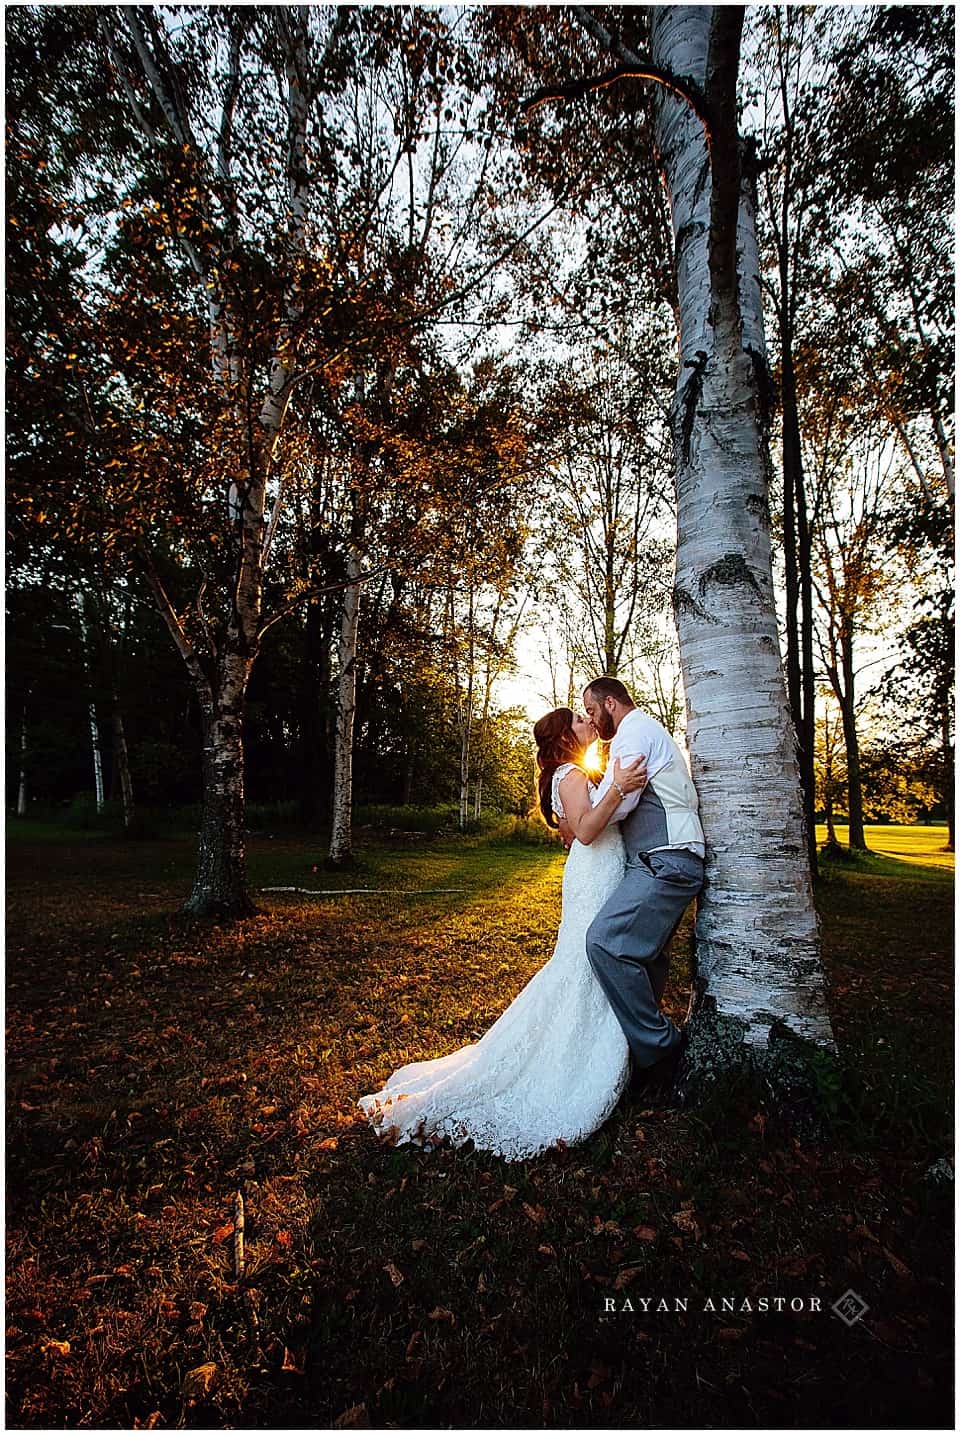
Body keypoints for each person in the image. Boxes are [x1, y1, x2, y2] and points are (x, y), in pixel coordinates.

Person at [356, 707, 646, 1160]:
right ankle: (569, 1064)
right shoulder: (570, 773)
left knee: (583, 962)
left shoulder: (568, 773)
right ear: (567, 738)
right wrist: (620, 789)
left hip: (596, 873)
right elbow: (586, 832)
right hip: (594, 875)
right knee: (581, 964)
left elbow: (572, 830)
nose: (589, 723)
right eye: (580, 721)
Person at [565, 676, 705, 1086]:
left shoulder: (632, 734)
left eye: (591, 711)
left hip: (666, 859)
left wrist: (587, 804)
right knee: (648, 957)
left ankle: (661, 1051)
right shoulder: (641, 730)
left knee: (605, 943)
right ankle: (630, 1052)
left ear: (610, 703)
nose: (591, 719)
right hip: (667, 858)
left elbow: (619, 806)